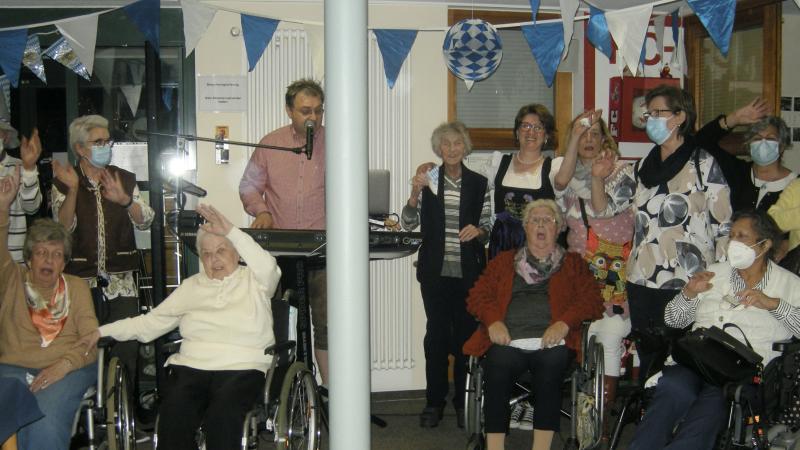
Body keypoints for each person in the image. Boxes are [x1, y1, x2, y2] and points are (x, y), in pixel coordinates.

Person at [78, 204, 282, 450]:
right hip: (193, 366)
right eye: (206, 254)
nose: (214, 259)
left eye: (221, 251)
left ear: (238, 253)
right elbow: (150, 323)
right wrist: (102, 331)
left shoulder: (256, 280)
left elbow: (270, 269)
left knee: (223, 415)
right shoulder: (191, 286)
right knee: (174, 414)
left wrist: (231, 230)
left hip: (244, 367)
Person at [629, 209, 800, 449]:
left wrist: (773, 304)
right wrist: (689, 294)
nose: (733, 243)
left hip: (739, 373)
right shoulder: (715, 273)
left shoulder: (789, 284)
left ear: (764, 245)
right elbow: (673, 320)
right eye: (731, 236)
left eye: (742, 236)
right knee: (673, 388)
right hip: (697, 360)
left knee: (712, 406)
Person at [463, 199, 604, 450]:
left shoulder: (573, 264)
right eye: (534, 220)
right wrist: (493, 321)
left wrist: (563, 323)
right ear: (525, 228)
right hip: (508, 340)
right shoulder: (504, 262)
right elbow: (478, 296)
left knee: (550, 368)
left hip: (553, 342)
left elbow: (591, 299)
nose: (541, 225)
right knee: (496, 366)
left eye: (548, 220)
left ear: (558, 228)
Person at [626, 85, 732, 382]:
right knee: (650, 360)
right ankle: (650, 418)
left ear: (679, 117)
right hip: (643, 278)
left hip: (689, 280)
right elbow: (603, 205)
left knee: (684, 360)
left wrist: (722, 278)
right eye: (648, 114)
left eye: (657, 113)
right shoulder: (642, 168)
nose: (650, 119)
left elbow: (723, 224)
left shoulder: (702, 163)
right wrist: (596, 176)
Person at [238, 79, 330, 383]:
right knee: (281, 323)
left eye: (318, 111)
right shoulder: (270, 143)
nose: (313, 118)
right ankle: (286, 393)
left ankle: (330, 394)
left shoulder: (336, 142)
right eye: (305, 111)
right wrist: (262, 211)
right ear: (289, 110)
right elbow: (249, 186)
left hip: (323, 249)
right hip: (280, 250)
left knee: (328, 326)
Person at [401, 121, 492, 428]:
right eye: (445, 144)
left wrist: (479, 231)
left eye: (457, 144)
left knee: (466, 340)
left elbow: (489, 226)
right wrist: (415, 193)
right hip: (435, 273)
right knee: (436, 339)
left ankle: (463, 403)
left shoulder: (480, 183)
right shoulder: (429, 178)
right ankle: (433, 402)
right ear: (438, 149)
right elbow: (408, 222)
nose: (451, 149)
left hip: (468, 274)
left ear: (465, 148)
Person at [0, 167, 99, 450]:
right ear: (29, 258)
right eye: (41, 252)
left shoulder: (77, 287)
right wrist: (2, 208)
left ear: (64, 263)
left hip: (67, 368)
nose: (48, 260)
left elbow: (91, 335)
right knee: (10, 417)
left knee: (44, 418)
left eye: (57, 255)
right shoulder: (12, 278)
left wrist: (65, 364)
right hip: (12, 369)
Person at [50, 115, 155, 379]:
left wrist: (125, 201)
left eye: (107, 141)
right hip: (80, 283)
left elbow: (146, 220)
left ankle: (121, 410)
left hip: (121, 282)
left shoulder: (124, 179)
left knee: (126, 352)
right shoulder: (64, 180)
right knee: (83, 349)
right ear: (80, 149)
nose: (105, 146)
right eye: (98, 142)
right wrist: (73, 190)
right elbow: (62, 228)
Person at [557, 109, 636, 428]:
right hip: (578, 272)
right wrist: (574, 136)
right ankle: (581, 411)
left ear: (605, 139)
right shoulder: (568, 170)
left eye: (594, 134)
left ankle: (601, 425)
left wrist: (597, 177)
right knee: (578, 336)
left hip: (613, 274)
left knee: (611, 335)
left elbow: (603, 209)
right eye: (582, 135)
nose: (589, 140)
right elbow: (560, 184)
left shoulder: (623, 171)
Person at [483, 104, 570, 258]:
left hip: (539, 246)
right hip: (503, 244)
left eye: (538, 127)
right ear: (517, 132)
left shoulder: (553, 169)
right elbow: (469, 182)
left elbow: (563, 185)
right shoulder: (498, 164)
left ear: (546, 135)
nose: (531, 131)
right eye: (525, 126)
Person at [695, 99, 795, 213]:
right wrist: (733, 119)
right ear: (749, 145)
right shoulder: (736, 172)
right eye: (757, 138)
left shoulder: (795, 185)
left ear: (782, 146)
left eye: (770, 138)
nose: (763, 142)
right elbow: (700, 143)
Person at [0, 120, 43, 263]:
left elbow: (32, 207)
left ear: (5, 136)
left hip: (14, 262)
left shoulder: (20, 166)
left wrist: (29, 168)